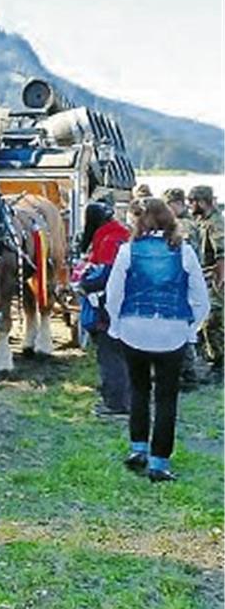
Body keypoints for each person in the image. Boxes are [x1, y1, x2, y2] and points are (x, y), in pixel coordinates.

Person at [105, 198, 209, 482]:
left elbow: (114, 294)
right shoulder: (184, 251)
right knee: (166, 398)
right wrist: (190, 328)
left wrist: (116, 324)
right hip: (172, 332)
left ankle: (138, 448)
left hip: (133, 328)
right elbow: (200, 298)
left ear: (139, 221)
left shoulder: (128, 251)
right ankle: (159, 463)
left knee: (138, 390)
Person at [77, 201, 132, 417]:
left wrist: (83, 284)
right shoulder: (123, 235)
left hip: (107, 307)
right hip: (126, 304)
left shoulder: (108, 241)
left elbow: (106, 275)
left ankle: (115, 403)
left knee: (109, 355)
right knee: (123, 354)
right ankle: (126, 398)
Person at [164, 187, 207, 387]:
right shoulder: (186, 223)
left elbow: (185, 255)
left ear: (177, 204)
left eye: (168, 205)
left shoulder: (183, 226)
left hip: (185, 280)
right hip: (188, 279)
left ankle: (188, 374)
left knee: (182, 326)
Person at [189, 185, 223, 372]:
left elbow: (222, 255)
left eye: (192, 201)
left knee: (212, 322)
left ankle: (219, 363)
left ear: (202, 202)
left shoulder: (215, 223)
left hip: (214, 278)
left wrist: (219, 281)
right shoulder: (201, 221)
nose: (190, 205)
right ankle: (209, 358)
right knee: (204, 322)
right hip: (204, 277)